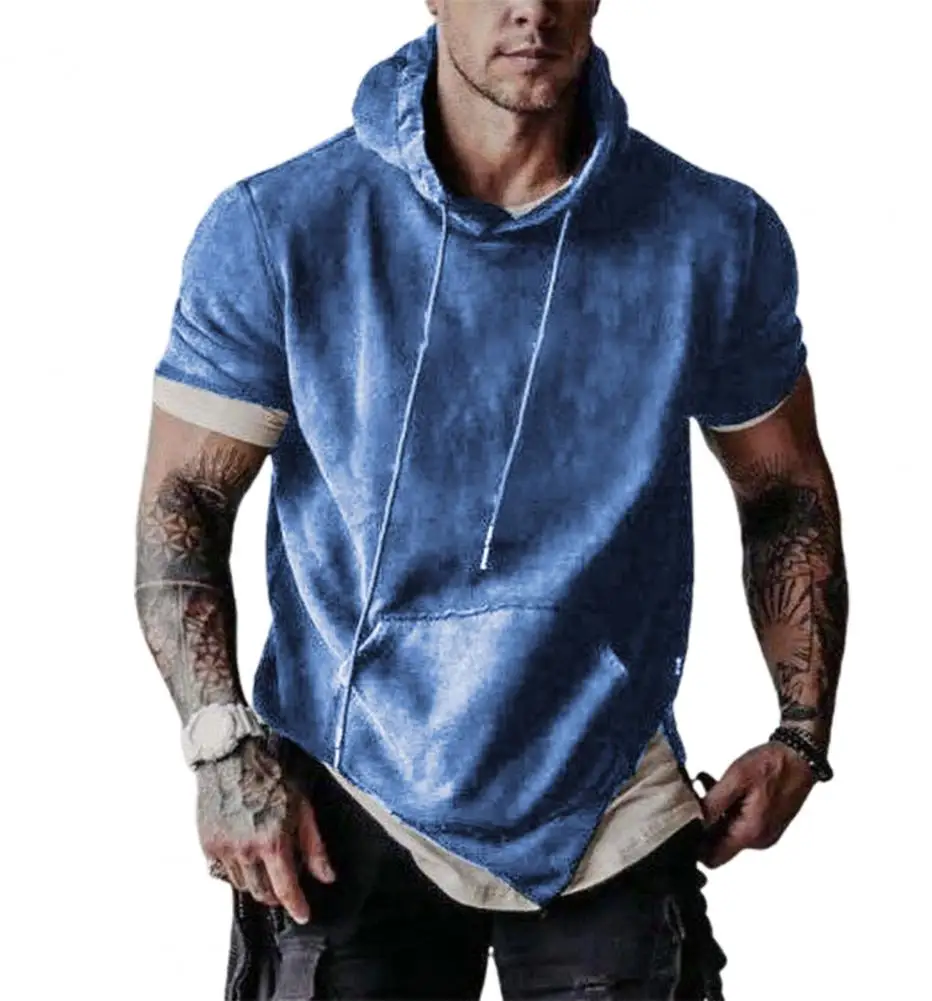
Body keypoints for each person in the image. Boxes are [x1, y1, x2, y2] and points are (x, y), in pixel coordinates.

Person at [134, 1, 848, 998]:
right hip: (346, 783)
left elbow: (781, 490)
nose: (531, 8)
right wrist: (221, 746)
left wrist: (799, 732)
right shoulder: (279, 225)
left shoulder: (711, 235)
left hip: (604, 793)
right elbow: (185, 499)